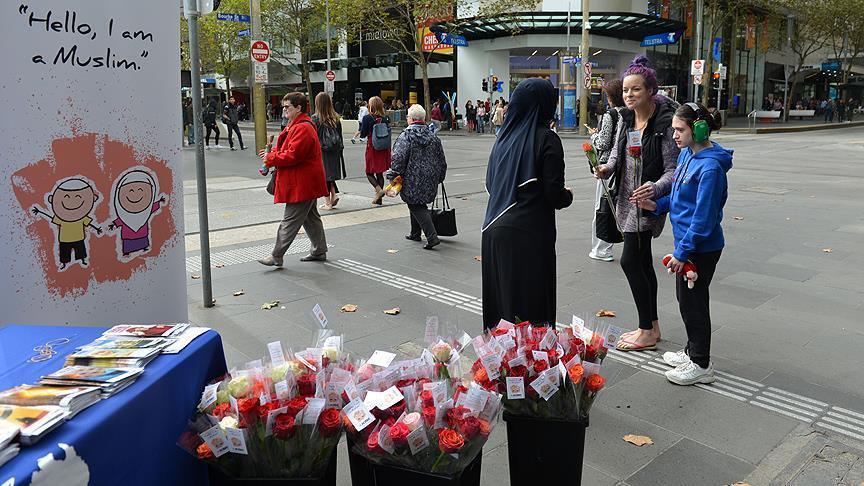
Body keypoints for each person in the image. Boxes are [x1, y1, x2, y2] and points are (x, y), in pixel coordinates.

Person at [635, 102, 732, 385]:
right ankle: (692, 350)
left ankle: (701, 364)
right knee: (685, 300)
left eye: (679, 130)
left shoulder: (711, 168)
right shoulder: (688, 155)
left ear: (699, 128)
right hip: (690, 244)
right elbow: (680, 199)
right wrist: (656, 205)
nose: (674, 135)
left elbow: (703, 218)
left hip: (700, 247)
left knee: (694, 304)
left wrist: (682, 252)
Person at [594, 55, 680, 351]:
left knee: (631, 260)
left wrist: (654, 188)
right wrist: (605, 168)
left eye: (636, 90)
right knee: (642, 261)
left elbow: (673, 169)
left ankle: (646, 330)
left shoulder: (664, 123)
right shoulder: (625, 118)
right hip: (624, 198)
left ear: (651, 91)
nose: (629, 96)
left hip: (647, 203)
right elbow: (618, 155)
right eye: (627, 90)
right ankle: (652, 326)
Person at [481, 78, 573, 329]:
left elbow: (491, 184)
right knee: (530, 308)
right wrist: (568, 196)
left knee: (502, 306)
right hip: (528, 234)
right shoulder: (547, 138)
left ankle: (500, 364)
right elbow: (554, 194)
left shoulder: (502, 140)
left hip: (493, 231)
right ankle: (531, 365)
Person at [257, 92, 329, 267]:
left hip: (302, 183)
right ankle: (319, 250)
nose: (284, 109)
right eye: (283, 106)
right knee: (310, 217)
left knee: (290, 220)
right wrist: (272, 155)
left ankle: (277, 255)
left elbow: (293, 155)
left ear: (299, 108)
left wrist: (271, 158)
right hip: (306, 182)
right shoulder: (298, 125)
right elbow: (291, 152)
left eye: (287, 106)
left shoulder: (302, 127)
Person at [386, 104, 447, 250]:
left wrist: (393, 174)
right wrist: (440, 176)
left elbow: (398, 158)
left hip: (411, 177)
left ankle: (432, 236)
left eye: (407, 116)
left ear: (412, 119)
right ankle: (415, 232)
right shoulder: (433, 137)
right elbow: (441, 160)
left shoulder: (406, 136)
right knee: (416, 202)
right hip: (430, 177)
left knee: (415, 204)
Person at [587, 78, 626, 262]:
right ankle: (608, 245)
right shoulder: (629, 113)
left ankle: (602, 249)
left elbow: (603, 142)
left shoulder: (611, 114)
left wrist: (594, 136)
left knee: (601, 207)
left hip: (606, 166)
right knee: (614, 206)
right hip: (623, 165)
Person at [312, 92, 345, 210]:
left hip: (322, 150)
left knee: (323, 176)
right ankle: (334, 195)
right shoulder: (336, 117)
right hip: (335, 150)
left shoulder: (315, 118)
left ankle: (327, 203)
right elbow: (340, 135)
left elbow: (313, 137)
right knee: (330, 174)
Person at [358, 96, 391, 205]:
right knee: (379, 173)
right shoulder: (385, 118)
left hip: (372, 147)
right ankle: (379, 199)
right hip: (383, 147)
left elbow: (363, 134)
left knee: (369, 172)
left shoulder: (368, 118)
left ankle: (379, 191)